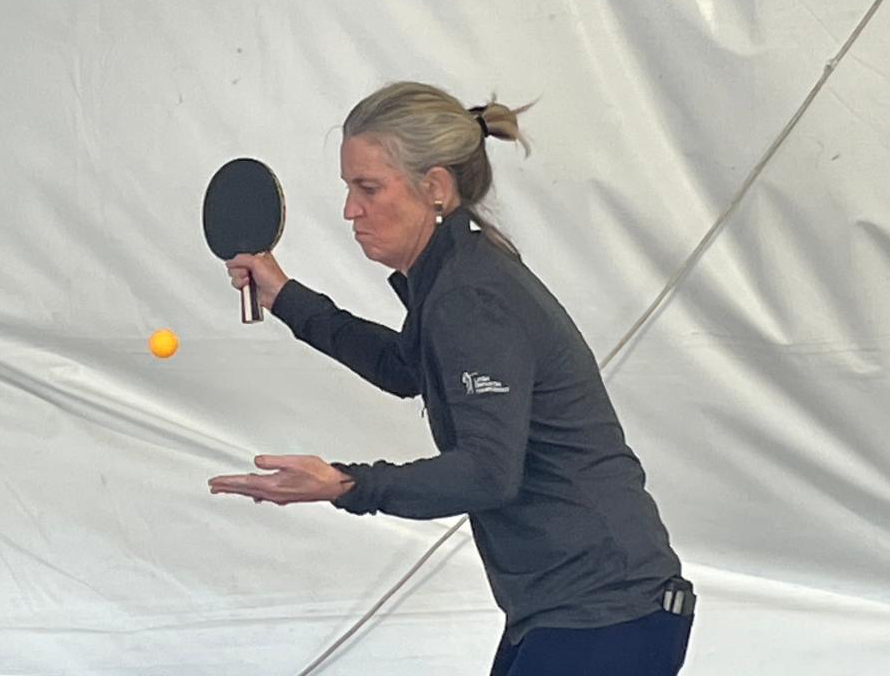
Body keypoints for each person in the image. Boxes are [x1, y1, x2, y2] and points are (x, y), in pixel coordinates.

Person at [208, 81, 695, 675]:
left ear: (435, 187)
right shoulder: (456, 275)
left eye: (368, 188)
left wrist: (345, 484)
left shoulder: (471, 294)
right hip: (574, 608)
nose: (349, 210)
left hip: (606, 611)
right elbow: (405, 368)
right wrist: (283, 295)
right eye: (348, 188)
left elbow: (488, 474)